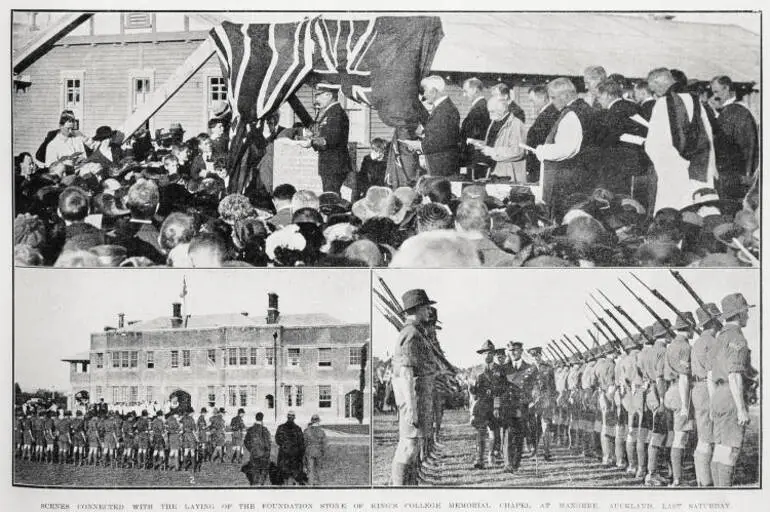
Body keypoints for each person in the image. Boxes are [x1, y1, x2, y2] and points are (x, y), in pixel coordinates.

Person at [645, 68, 717, 212]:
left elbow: (653, 145)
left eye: (655, 90)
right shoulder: (696, 101)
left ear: (659, 83)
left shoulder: (662, 104)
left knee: (673, 209)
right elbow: (708, 136)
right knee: (699, 209)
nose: (656, 94)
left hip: (673, 170)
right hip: (700, 166)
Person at [534, 77, 602, 221]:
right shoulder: (586, 109)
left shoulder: (571, 114)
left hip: (568, 180)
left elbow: (566, 149)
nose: (551, 102)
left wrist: (542, 150)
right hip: (586, 177)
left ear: (565, 95)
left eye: (553, 97)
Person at [390, 288, 437, 484]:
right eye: (427, 307)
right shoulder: (411, 334)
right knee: (408, 446)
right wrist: (411, 408)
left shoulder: (417, 332)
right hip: (414, 398)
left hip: (419, 397)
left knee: (413, 445)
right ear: (417, 309)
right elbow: (406, 372)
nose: (429, 311)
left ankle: (409, 486)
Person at [709, 293, 754, 487]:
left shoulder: (718, 338)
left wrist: (713, 402)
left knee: (720, 449)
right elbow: (734, 375)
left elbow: (710, 374)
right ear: (740, 313)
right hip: (730, 395)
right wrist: (742, 409)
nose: (748, 316)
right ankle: (725, 498)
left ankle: (716, 495)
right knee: (731, 450)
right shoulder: (737, 338)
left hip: (718, 395)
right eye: (746, 312)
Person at [710, 76, 759, 202]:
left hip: (733, 175)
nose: (714, 96)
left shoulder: (736, 112)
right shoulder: (731, 111)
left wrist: (747, 175)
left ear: (726, 89)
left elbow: (748, 145)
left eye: (716, 92)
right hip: (733, 174)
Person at [595, 78, 646, 196]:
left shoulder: (613, 112)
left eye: (599, 97)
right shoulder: (632, 105)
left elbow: (612, 139)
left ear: (607, 95)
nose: (598, 101)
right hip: (641, 164)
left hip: (622, 167)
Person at [402, 76, 460, 177]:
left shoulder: (444, 110)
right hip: (440, 164)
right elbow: (438, 131)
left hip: (441, 166)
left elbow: (439, 141)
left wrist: (418, 145)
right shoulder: (443, 107)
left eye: (425, 91)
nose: (424, 95)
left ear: (433, 91)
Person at [690, 303, 722, 487]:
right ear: (714, 322)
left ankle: (702, 479)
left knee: (704, 435)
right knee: (708, 437)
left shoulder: (698, 342)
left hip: (698, 389)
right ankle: (706, 481)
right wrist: (715, 402)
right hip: (708, 389)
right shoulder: (712, 342)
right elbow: (711, 374)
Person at [663, 312, 696, 487]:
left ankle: (672, 473)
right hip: (679, 392)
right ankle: (677, 479)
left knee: (672, 435)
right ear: (688, 327)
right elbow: (684, 377)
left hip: (670, 391)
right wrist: (685, 405)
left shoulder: (670, 346)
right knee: (680, 437)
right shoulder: (684, 347)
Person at [308, 85, 351, 194]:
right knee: (331, 195)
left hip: (334, 165)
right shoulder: (330, 112)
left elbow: (331, 139)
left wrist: (310, 142)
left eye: (318, 95)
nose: (316, 99)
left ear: (329, 95)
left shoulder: (336, 113)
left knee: (331, 197)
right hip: (331, 164)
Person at [502, 341, 536, 472]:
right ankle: (508, 463)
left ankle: (516, 463)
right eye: (511, 351)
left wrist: (534, 400)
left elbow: (535, 387)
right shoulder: (504, 369)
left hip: (523, 405)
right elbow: (498, 390)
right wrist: (498, 406)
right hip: (508, 406)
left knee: (520, 435)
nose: (513, 353)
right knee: (508, 434)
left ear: (521, 351)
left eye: (516, 350)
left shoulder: (530, 368)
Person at [476, 96, 526, 181]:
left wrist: (491, 151)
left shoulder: (516, 124)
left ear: (502, 110)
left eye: (492, 112)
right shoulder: (495, 122)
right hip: (495, 172)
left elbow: (517, 152)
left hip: (509, 176)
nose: (490, 115)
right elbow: (494, 143)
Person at [525, 85, 560, 184]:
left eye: (532, 101)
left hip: (540, 165)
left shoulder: (550, 114)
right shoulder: (546, 113)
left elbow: (542, 139)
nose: (531, 105)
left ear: (543, 98)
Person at [459, 77, 491, 179]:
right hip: (474, 158)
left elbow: (475, 135)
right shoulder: (479, 106)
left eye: (465, 91)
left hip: (475, 159)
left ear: (474, 90)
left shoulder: (480, 108)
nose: (464, 95)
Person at [275, 411, 306, 483]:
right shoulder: (298, 428)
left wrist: (284, 445)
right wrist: (301, 454)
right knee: (294, 472)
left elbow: (277, 440)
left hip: (284, 452)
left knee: (285, 472)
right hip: (295, 453)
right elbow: (301, 442)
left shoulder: (281, 427)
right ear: (294, 418)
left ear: (287, 417)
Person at [243, 412, 272, 486]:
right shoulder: (264, 429)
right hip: (263, 454)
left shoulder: (250, 429)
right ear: (262, 419)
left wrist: (251, 449)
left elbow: (246, 441)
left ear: (255, 418)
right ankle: (261, 485)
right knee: (263, 471)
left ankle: (255, 485)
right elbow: (268, 442)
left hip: (254, 453)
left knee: (255, 471)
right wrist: (267, 451)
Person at [303, 413, 328, 486]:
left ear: (312, 421)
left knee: (310, 470)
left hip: (309, 451)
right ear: (318, 421)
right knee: (319, 470)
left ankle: (310, 485)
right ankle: (319, 485)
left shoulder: (306, 431)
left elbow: (304, 443)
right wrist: (323, 452)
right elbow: (324, 444)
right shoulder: (322, 431)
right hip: (319, 452)